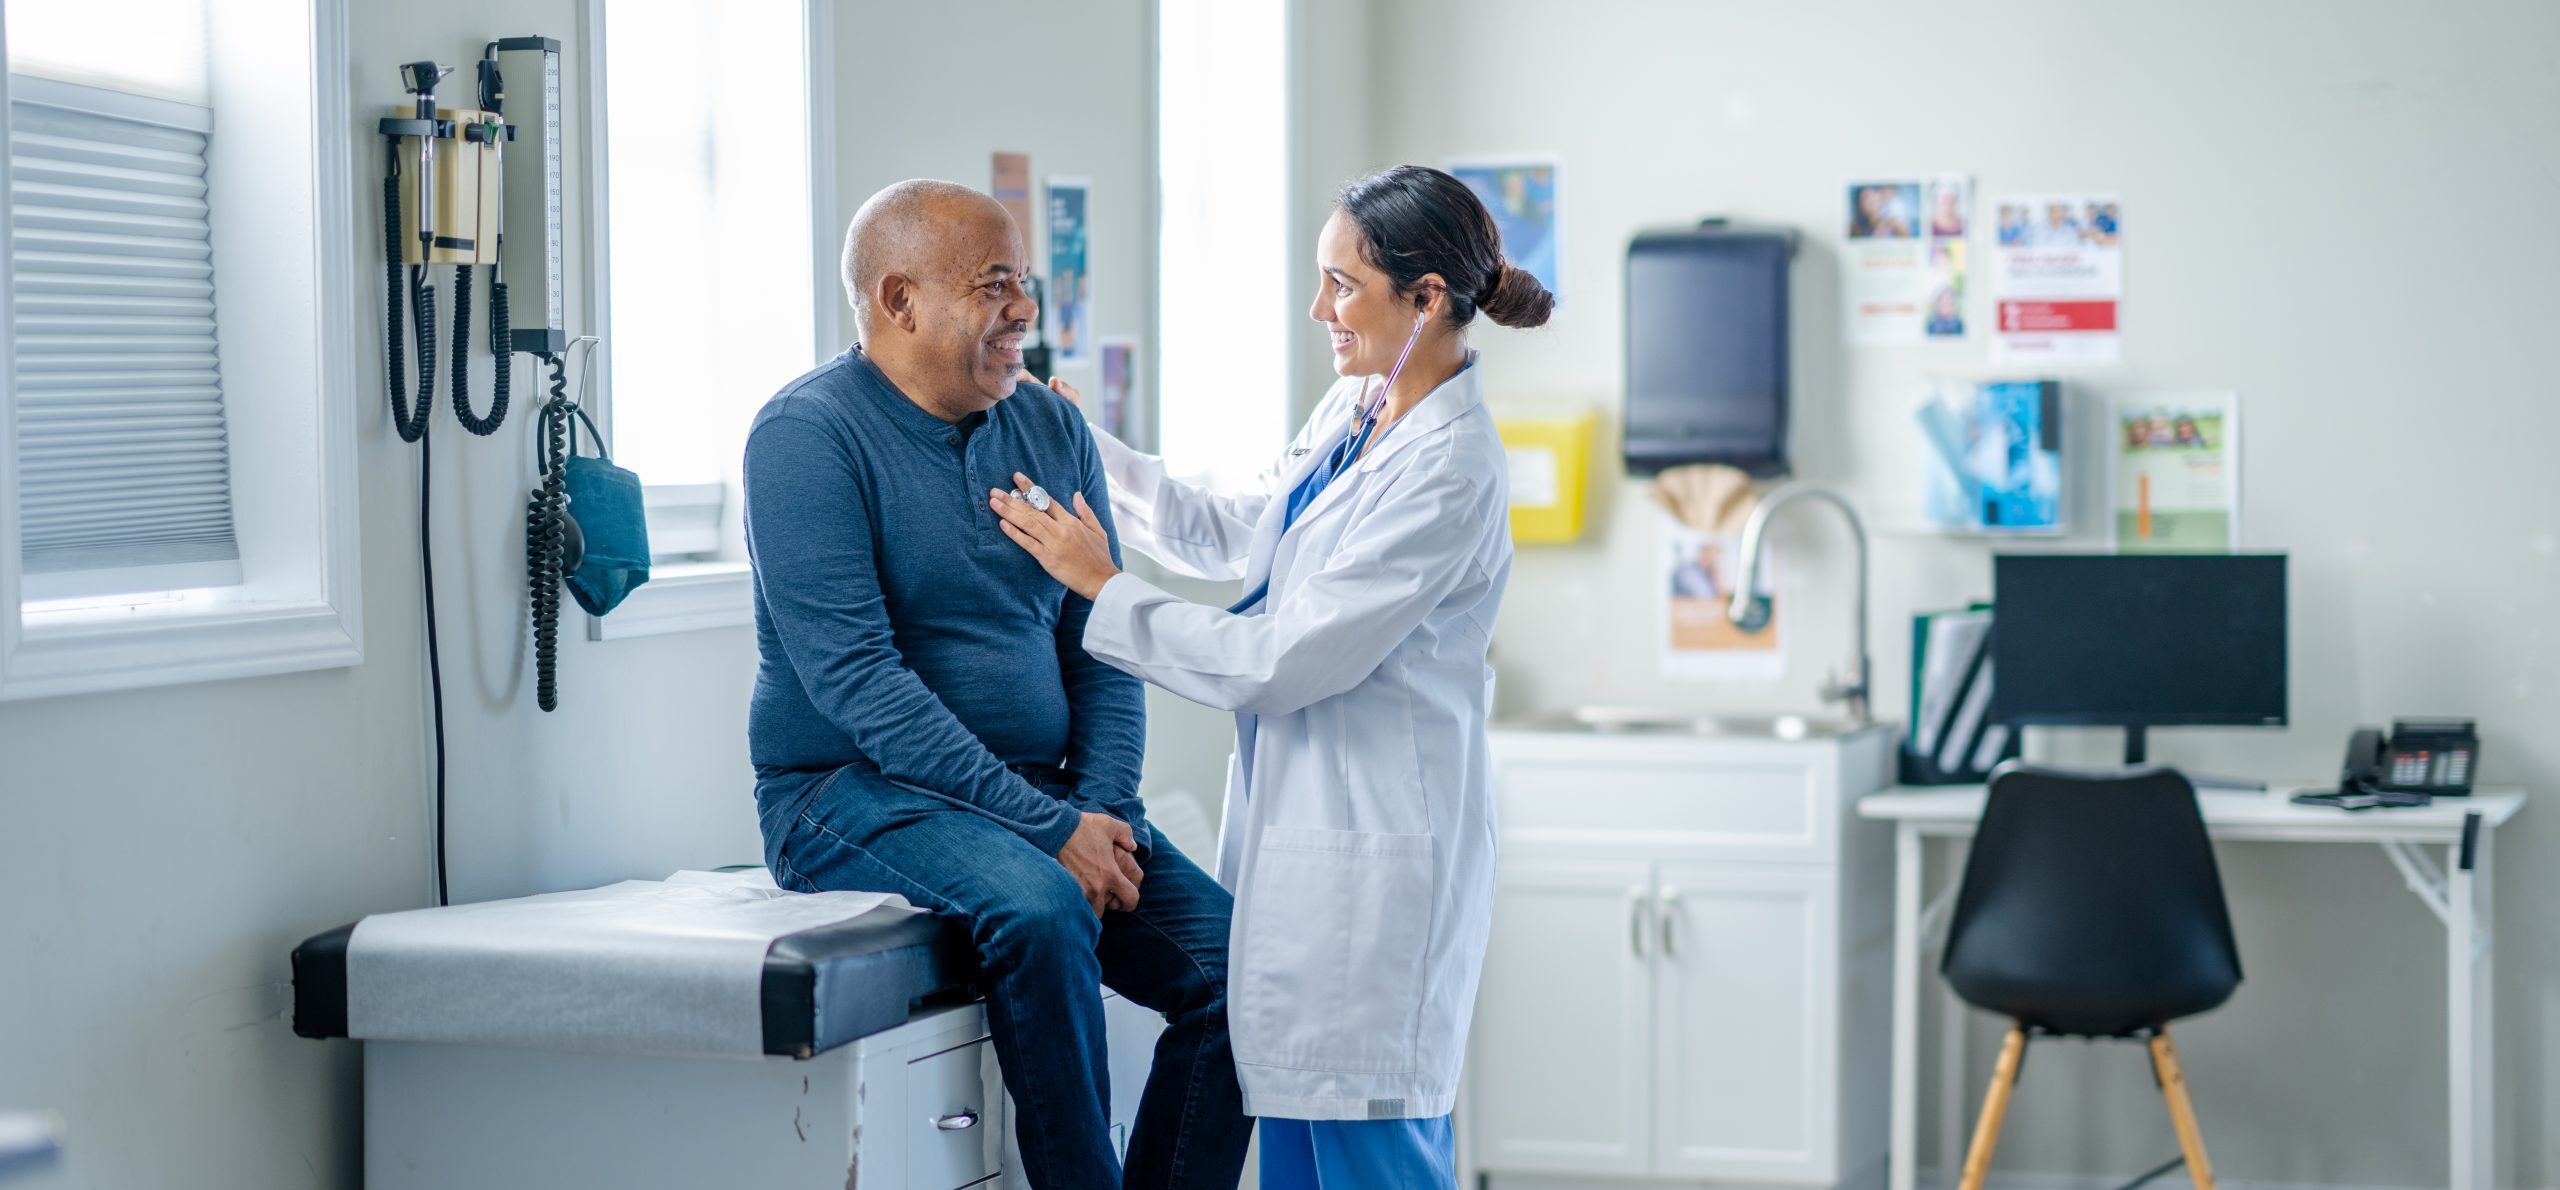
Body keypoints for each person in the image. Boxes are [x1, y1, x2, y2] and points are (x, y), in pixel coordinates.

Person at [990, 164, 1542, 1188]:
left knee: (1371, 1160)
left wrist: (1101, 585)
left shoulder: (1450, 468)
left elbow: (1282, 660)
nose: (1317, 308)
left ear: (1425, 299)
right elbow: (1239, 528)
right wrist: (1087, 445)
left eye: (1342, 284)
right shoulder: (1356, 407)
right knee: (1294, 1151)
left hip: (1378, 867)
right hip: (1305, 856)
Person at [741, 179, 1252, 1189]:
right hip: (847, 792)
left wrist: (1101, 811)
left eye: (1025, 282)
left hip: (1036, 791)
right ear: (900, 301)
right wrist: (1051, 830)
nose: (1025, 309)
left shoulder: (1051, 432)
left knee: (1242, 972)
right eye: (995, 285)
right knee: (1038, 907)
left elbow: (1097, 636)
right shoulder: (806, 437)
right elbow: (860, 684)